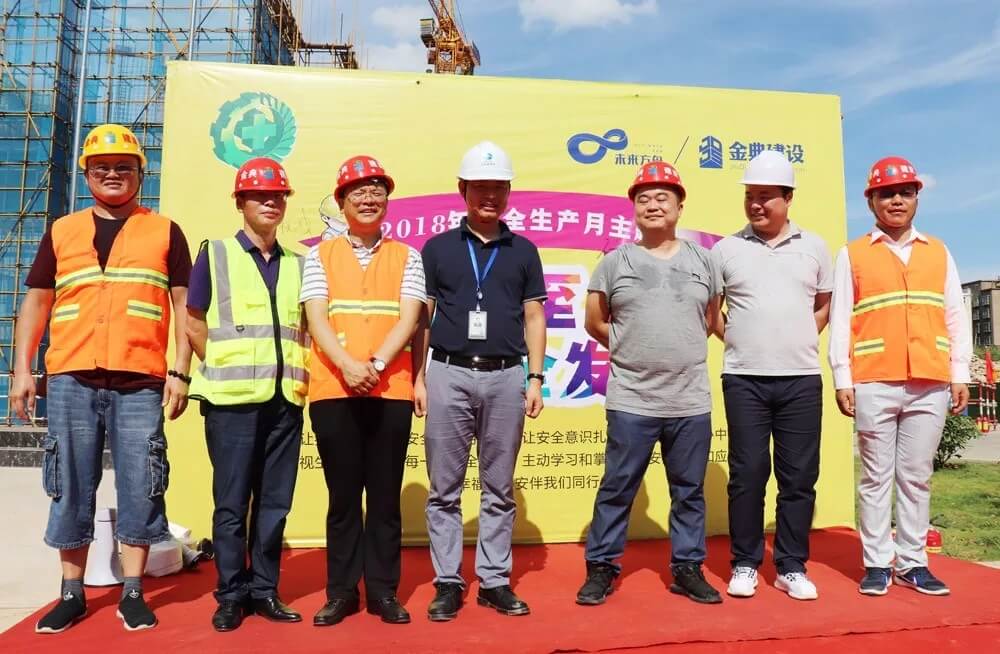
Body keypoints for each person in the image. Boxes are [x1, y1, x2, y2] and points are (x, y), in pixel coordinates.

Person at [12, 123, 192, 633]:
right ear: (87, 174)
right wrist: (22, 370)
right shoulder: (62, 231)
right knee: (69, 481)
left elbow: (185, 306)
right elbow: (37, 303)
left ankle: (133, 591)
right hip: (71, 376)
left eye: (123, 167)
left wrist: (181, 369)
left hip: (140, 379)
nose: (113, 174)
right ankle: (71, 592)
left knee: (142, 482)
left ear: (140, 173)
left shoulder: (164, 231)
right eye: (102, 167)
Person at [576, 162, 723, 606]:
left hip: (689, 400)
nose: (653, 205)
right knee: (617, 487)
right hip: (632, 399)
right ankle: (601, 567)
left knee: (689, 491)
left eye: (663, 197)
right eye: (643, 199)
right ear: (634, 209)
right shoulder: (614, 262)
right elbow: (595, 321)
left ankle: (687, 568)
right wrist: (631, 345)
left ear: (680, 206)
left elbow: (712, 319)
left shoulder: (705, 261)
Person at [417, 141, 547, 621]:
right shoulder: (438, 248)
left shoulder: (524, 251)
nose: (489, 195)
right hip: (447, 372)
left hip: (506, 376)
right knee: (443, 490)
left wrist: (535, 378)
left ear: (508, 191)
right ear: (462, 190)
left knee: (499, 488)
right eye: (480, 187)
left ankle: (494, 580)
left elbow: (534, 317)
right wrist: (419, 377)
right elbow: (423, 318)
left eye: (498, 187)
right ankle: (448, 581)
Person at [828, 156, 970, 596]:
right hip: (874, 379)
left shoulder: (938, 252)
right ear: (871, 201)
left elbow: (955, 314)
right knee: (875, 477)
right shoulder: (852, 254)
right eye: (886, 193)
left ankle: (912, 563)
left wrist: (960, 372)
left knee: (916, 476)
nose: (896, 200)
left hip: (930, 379)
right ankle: (876, 563)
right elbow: (840, 318)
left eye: (905, 193)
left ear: (916, 200)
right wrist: (842, 377)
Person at [186, 157, 309, 631]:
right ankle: (232, 594)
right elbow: (194, 322)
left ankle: (265, 590)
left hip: (285, 400)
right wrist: (221, 365)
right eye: (260, 195)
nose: (270, 203)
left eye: (277, 196)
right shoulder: (215, 254)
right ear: (240, 202)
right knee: (232, 504)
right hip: (231, 403)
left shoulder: (299, 263)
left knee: (275, 504)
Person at [302, 155, 425, 627]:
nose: (369, 199)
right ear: (341, 202)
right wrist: (348, 367)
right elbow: (316, 317)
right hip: (334, 389)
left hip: (389, 388)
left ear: (387, 201)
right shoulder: (319, 255)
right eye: (358, 192)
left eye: (377, 191)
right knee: (343, 497)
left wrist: (373, 366)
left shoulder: (408, 256)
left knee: (385, 497)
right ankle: (340, 593)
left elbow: (409, 317)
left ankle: (383, 592)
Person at [710, 150, 833, 601]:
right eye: (750, 196)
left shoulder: (814, 247)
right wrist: (744, 340)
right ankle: (744, 562)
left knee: (798, 476)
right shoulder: (725, 249)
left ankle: (791, 566)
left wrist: (795, 337)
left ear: (788, 198)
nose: (756, 204)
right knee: (747, 473)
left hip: (801, 378)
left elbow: (823, 305)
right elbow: (712, 312)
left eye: (766, 196)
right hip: (744, 378)